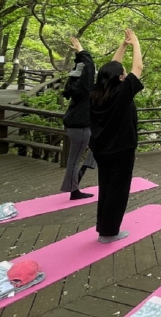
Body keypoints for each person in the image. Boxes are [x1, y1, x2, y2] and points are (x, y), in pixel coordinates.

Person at [89, 28, 144, 244]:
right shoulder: (122, 92)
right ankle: (109, 232)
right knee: (118, 191)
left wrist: (123, 45)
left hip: (101, 149)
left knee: (106, 186)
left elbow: (109, 69)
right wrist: (136, 43)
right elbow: (137, 67)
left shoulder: (95, 93)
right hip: (121, 149)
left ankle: (104, 227)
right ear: (120, 77)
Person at [60, 36, 97, 200]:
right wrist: (81, 50)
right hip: (81, 129)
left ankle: (83, 170)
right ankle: (74, 190)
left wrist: (78, 55)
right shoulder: (83, 88)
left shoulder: (75, 86)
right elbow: (88, 67)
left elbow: (84, 68)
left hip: (78, 127)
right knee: (74, 160)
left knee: (99, 145)